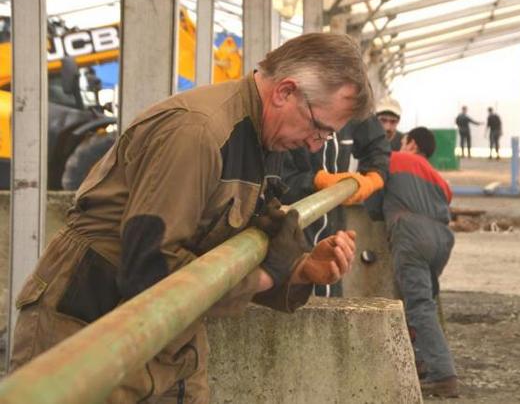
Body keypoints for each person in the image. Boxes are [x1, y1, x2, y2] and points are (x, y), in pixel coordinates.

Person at [10, 33, 370, 402]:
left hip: (170, 340)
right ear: (285, 92)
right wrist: (264, 277)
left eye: (326, 136)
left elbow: (223, 239)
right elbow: (150, 268)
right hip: (88, 326)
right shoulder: (198, 132)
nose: (315, 144)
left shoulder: (261, 136)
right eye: (319, 127)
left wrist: (300, 269)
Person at [382, 127, 458, 398]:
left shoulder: (394, 160)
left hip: (412, 233)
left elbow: (372, 197)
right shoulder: (440, 179)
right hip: (442, 238)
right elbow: (447, 200)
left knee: (418, 305)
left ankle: (443, 375)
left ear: (411, 143)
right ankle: (422, 362)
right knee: (425, 301)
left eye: (403, 141)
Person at [280, 115, 390, 297]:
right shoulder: (293, 107)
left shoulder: (352, 104)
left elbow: (377, 145)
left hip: (334, 224)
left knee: (330, 286)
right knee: (292, 296)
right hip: (290, 225)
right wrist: (316, 181)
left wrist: (374, 177)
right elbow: (276, 177)